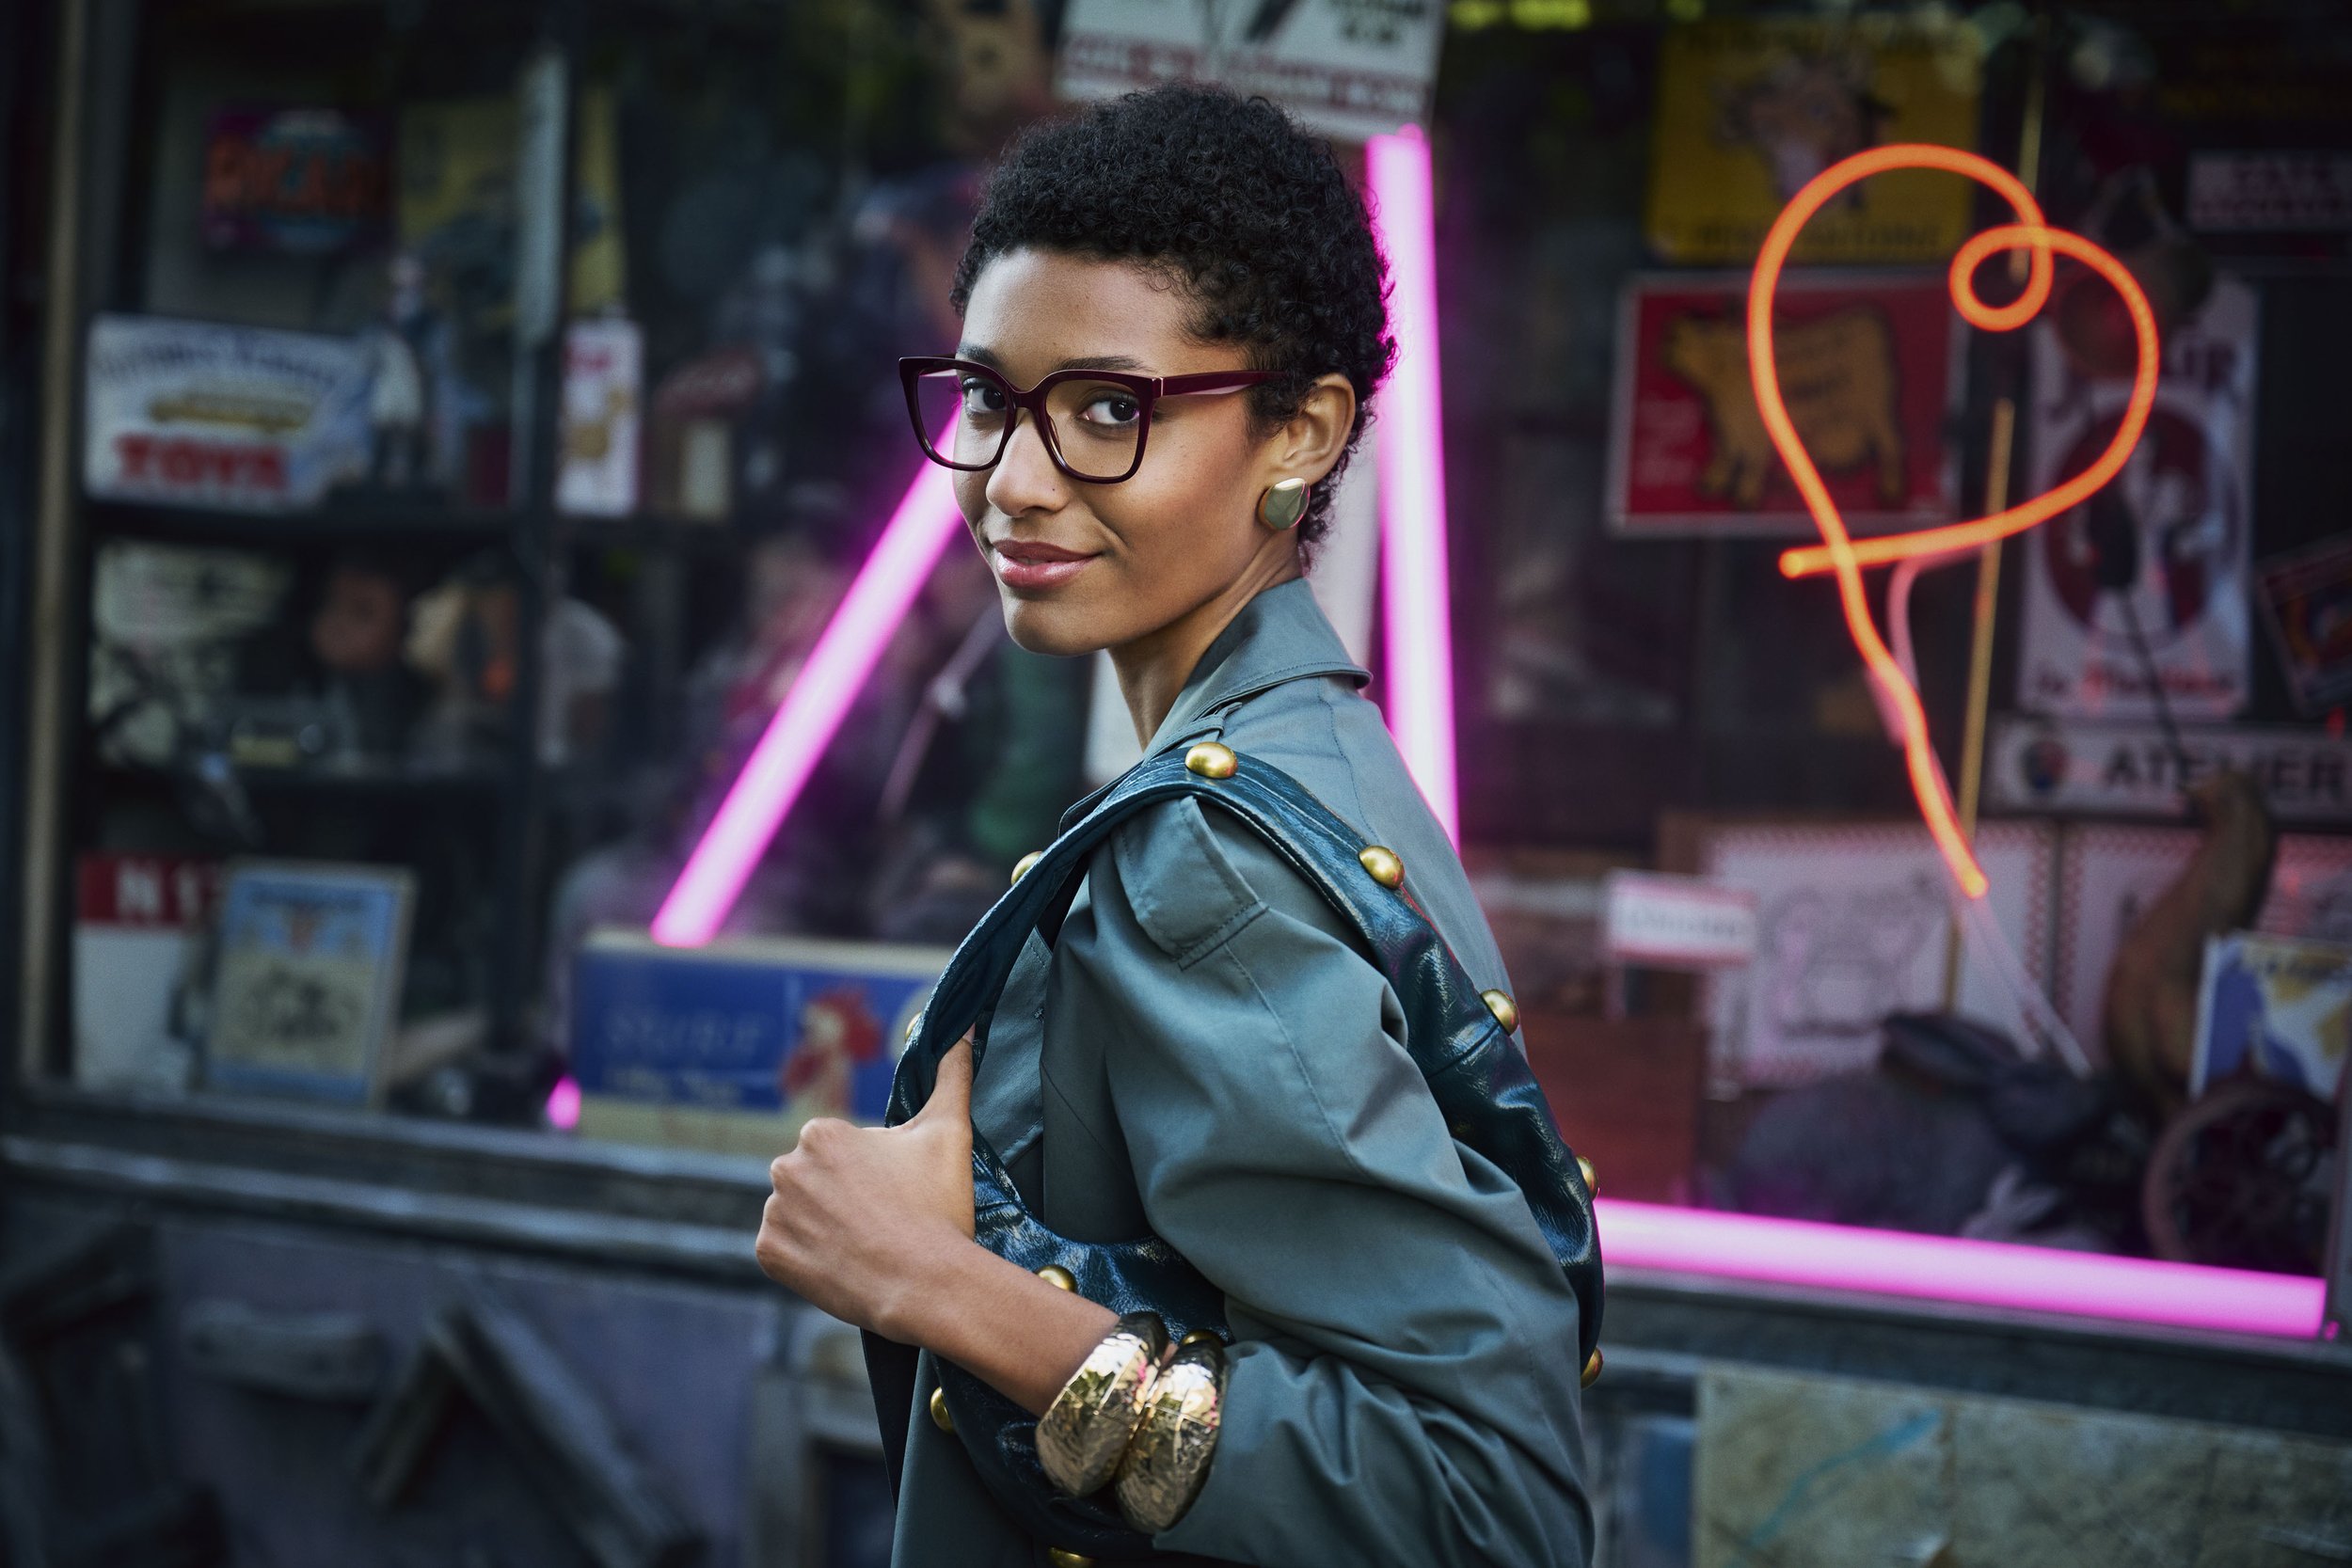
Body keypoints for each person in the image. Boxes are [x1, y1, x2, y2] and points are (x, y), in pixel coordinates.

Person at [754, 82, 1595, 1567]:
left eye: (1104, 411)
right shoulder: (1310, 755)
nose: (1011, 482)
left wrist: (940, 1282)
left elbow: (1487, 1507)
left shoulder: (1207, 855)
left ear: (1302, 433)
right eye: (990, 401)